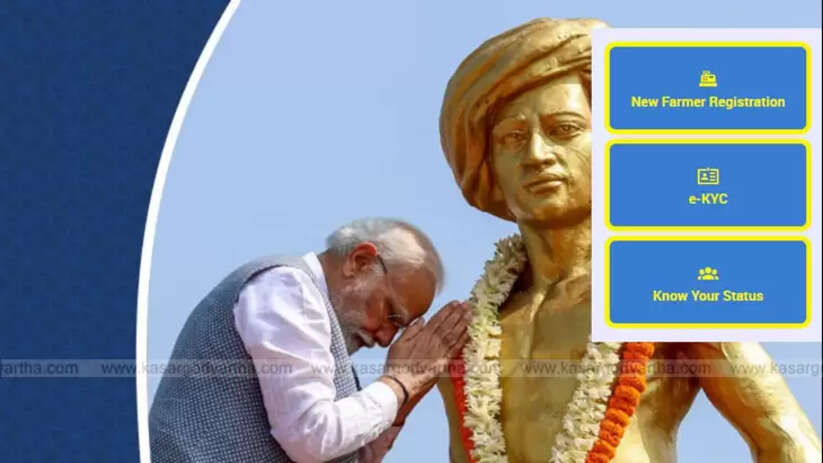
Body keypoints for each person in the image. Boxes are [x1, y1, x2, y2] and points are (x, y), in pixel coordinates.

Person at [437, 18, 821, 462]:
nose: (537, 155)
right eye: (513, 138)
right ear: (489, 165)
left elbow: (786, 439)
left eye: (563, 129)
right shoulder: (470, 335)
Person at [150, 218, 471, 462]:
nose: (386, 338)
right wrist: (398, 383)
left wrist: (405, 398)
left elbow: (344, 455)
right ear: (359, 262)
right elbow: (311, 434)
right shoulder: (287, 288)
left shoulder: (329, 351)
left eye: (399, 328)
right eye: (390, 314)